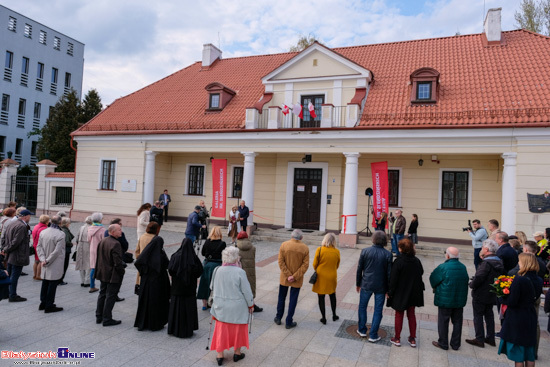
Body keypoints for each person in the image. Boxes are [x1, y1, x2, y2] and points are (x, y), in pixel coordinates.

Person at [210, 246, 254, 366]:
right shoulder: (240, 272)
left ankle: (220, 355)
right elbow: (247, 291)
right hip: (237, 307)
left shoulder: (217, 270)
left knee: (221, 329)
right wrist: (251, 304)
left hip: (221, 307)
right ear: (236, 258)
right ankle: (237, 353)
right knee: (238, 329)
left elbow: (212, 287)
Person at [498, 253, 542, 367]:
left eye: (520, 261)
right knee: (529, 352)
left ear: (524, 263)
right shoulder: (538, 279)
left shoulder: (519, 279)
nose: (518, 263)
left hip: (517, 317)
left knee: (518, 353)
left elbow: (512, 301)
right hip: (530, 315)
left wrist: (502, 296)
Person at [465, 239, 504, 348]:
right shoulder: (499, 261)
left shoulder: (486, 263)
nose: (481, 249)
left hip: (481, 293)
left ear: (486, 250)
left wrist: (472, 284)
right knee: (489, 315)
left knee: (478, 315)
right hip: (492, 292)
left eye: (482, 248)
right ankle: (490, 338)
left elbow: (479, 277)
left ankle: (479, 339)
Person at [429, 247, 469, 351]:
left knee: (443, 321)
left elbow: (433, 279)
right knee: (457, 322)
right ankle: (455, 344)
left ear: (447, 256)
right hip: (459, 300)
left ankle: (443, 343)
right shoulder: (463, 267)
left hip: (445, 299)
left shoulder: (443, 267)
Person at [356, 230, 392, 342]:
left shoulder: (365, 251)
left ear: (374, 239)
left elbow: (359, 269)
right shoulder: (388, 254)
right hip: (381, 286)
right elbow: (389, 274)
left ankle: (362, 330)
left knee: (362, 306)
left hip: (366, 283)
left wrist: (358, 283)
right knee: (378, 310)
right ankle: (373, 334)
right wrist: (388, 289)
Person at [388, 238, 424, 348]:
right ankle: (412, 339)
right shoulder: (416, 260)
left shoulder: (399, 261)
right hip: (413, 292)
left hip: (401, 292)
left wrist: (390, 292)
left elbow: (393, 279)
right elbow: (421, 272)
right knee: (411, 314)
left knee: (399, 314)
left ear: (401, 249)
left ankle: (397, 338)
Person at [134, 229, 170, 331]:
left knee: (144, 302)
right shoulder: (161, 254)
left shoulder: (146, 253)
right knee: (155, 303)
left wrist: (144, 272)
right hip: (158, 282)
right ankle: (155, 324)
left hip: (146, 282)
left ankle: (142, 323)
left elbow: (138, 262)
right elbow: (167, 265)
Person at [167, 238, 203, 338]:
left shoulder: (175, 256)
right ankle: (188, 328)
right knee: (188, 308)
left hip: (177, 288)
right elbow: (200, 271)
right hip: (189, 289)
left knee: (176, 308)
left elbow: (170, 270)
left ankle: (174, 328)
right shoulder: (194, 258)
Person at [275, 229, 309, 329]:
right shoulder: (305, 248)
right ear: (301, 238)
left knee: (281, 297)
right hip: (297, 279)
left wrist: (288, 275)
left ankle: (278, 317)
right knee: (293, 300)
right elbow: (305, 265)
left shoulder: (284, 245)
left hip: (284, 278)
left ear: (291, 236)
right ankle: (289, 321)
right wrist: (294, 276)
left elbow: (280, 262)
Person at [95, 224, 125, 327]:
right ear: (112, 232)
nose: (121, 231)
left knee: (102, 293)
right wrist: (122, 271)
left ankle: (99, 316)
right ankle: (107, 318)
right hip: (112, 274)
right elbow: (117, 262)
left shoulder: (103, 240)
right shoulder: (116, 243)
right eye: (119, 230)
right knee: (110, 296)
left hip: (103, 271)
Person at [36, 215, 65, 313]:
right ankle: (49, 305)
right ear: (60, 223)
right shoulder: (61, 234)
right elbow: (57, 251)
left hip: (45, 261)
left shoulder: (43, 232)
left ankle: (43, 303)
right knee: (52, 284)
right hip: (54, 262)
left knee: (45, 282)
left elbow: (38, 246)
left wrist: (43, 259)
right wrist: (47, 260)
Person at [3, 209, 32, 302]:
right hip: (17, 255)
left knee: (10, 274)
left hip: (11, 255)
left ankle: (8, 293)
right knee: (14, 276)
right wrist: (6, 249)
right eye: (29, 216)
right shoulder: (21, 226)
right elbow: (16, 242)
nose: (30, 218)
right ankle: (12, 295)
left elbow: (5, 237)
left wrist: (5, 249)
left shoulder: (12, 223)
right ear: (26, 216)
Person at [312, 233, 340, 324]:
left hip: (321, 276)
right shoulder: (336, 251)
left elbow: (314, 264)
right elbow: (337, 265)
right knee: (332, 295)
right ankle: (334, 315)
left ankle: (323, 318)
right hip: (332, 275)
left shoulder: (319, 249)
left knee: (321, 297)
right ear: (333, 241)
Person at [197, 226, 226, 310]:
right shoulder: (222, 243)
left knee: (204, 284)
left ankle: (204, 304)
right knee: (216, 285)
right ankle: (214, 302)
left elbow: (202, 253)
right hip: (218, 266)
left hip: (207, 265)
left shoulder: (207, 242)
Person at [236, 231, 263, 312]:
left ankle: (241, 306)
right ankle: (252, 304)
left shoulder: (236, 248)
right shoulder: (253, 248)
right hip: (250, 270)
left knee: (240, 287)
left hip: (240, 270)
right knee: (250, 286)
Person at [134, 222, 159, 294]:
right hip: (151, 265)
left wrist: (139, 259)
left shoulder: (142, 237)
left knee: (141, 280)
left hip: (142, 263)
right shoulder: (155, 239)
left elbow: (137, 251)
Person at [87, 212, 104, 293]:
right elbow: (104, 241)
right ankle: (103, 285)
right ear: (100, 220)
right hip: (100, 249)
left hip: (92, 248)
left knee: (93, 267)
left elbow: (88, 239)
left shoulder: (90, 228)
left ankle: (92, 285)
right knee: (102, 267)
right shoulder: (102, 229)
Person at [75, 216, 92, 287]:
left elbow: (77, 238)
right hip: (88, 246)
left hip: (80, 246)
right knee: (88, 263)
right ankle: (87, 281)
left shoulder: (81, 227)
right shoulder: (91, 228)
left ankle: (82, 280)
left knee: (81, 262)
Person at [31, 215, 49, 280]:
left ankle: (35, 275)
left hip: (35, 244)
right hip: (41, 246)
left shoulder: (36, 226)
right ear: (46, 221)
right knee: (40, 261)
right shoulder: (44, 228)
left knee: (36, 261)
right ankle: (39, 276)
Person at [59, 217, 74, 285]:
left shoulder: (61, 228)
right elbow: (67, 241)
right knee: (64, 265)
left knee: (62, 265)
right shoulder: (65, 230)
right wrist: (71, 244)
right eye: (69, 223)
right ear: (67, 224)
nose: (69, 224)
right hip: (65, 250)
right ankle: (60, 279)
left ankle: (59, 279)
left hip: (62, 250)